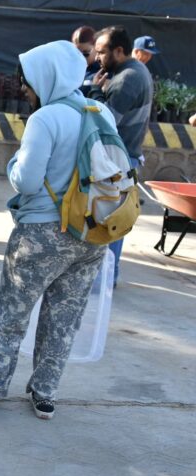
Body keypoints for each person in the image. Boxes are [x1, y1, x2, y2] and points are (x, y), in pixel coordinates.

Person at [0, 40, 110, 420]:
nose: (25, 88)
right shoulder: (101, 110)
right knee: (65, 316)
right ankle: (45, 394)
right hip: (93, 232)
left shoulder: (46, 118)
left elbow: (26, 182)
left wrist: (13, 164)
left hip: (43, 232)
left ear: (46, 77)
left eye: (27, 81)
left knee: (13, 312)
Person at [89, 26, 153, 285]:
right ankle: (107, 276)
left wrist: (95, 92)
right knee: (114, 220)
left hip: (117, 161)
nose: (97, 58)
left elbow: (106, 122)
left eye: (102, 52)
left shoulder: (127, 79)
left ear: (119, 50)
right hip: (125, 159)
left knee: (109, 221)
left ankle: (103, 279)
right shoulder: (136, 71)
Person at [71, 25, 100, 96]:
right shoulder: (70, 68)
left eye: (86, 53)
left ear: (97, 47)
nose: (80, 57)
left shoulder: (103, 70)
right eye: (77, 53)